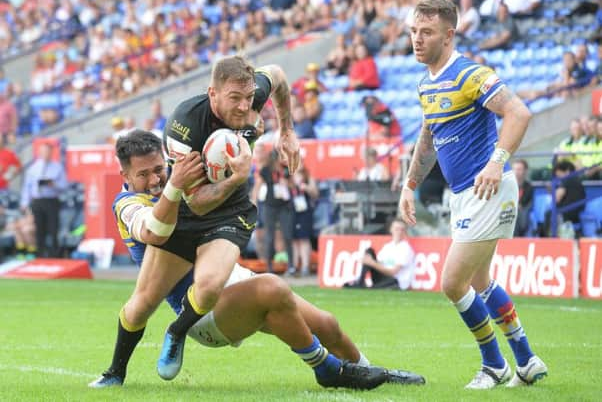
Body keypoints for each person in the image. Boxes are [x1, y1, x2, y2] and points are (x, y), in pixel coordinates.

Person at [89, 129, 423, 389]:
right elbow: (149, 229)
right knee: (273, 289)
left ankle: (371, 372)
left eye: (159, 170)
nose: (154, 180)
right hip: (201, 313)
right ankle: (326, 370)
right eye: (143, 174)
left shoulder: (181, 178)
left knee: (327, 324)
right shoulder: (128, 203)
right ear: (125, 176)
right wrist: (174, 188)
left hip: (233, 282)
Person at [398, 0, 547, 389]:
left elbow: (519, 112)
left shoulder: (469, 74)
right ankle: (527, 360)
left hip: (487, 190)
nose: (416, 39)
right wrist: (409, 185)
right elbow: (428, 138)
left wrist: (497, 161)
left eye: (426, 32)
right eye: (413, 31)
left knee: (452, 283)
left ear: (449, 35)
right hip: (466, 194)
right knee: (481, 281)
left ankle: (494, 364)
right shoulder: (426, 83)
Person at [138, 55, 302, 382]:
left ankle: (176, 331)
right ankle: (118, 369)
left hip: (231, 211)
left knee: (212, 286)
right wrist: (238, 177)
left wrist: (287, 131)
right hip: (190, 207)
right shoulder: (185, 125)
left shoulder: (251, 91)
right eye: (235, 99)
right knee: (140, 304)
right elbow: (197, 203)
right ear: (212, 93)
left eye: (249, 97)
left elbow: (280, 74)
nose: (244, 106)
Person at [19, 142, 68, 258]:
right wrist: (24, 203)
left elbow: (64, 186)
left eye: (48, 151)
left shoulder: (58, 167)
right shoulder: (33, 169)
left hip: (51, 200)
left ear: (51, 153)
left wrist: (53, 184)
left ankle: (55, 255)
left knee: (53, 228)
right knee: (39, 228)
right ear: (39, 152)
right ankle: (40, 254)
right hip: (38, 201)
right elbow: (27, 187)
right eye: (43, 151)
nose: (46, 154)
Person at [345, 218, 415, 290]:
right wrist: (369, 261)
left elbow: (393, 272)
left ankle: (363, 285)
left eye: (402, 230)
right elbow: (379, 264)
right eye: (397, 229)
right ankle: (360, 281)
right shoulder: (388, 247)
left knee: (385, 281)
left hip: (396, 282)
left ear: (405, 232)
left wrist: (372, 263)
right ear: (391, 229)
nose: (399, 232)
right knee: (369, 251)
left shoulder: (406, 249)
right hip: (384, 277)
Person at [257, 148, 295, 274]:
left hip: (284, 206)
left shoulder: (285, 170)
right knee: (270, 237)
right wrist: (254, 200)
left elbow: (293, 186)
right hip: (270, 205)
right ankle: (269, 266)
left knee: (287, 235)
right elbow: (259, 185)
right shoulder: (266, 170)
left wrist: (287, 183)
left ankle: (291, 265)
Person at [512, 159, 533, 237]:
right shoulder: (508, 186)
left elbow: (524, 203)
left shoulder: (528, 186)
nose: (516, 172)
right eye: (514, 169)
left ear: (525, 171)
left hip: (522, 211)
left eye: (519, 169)